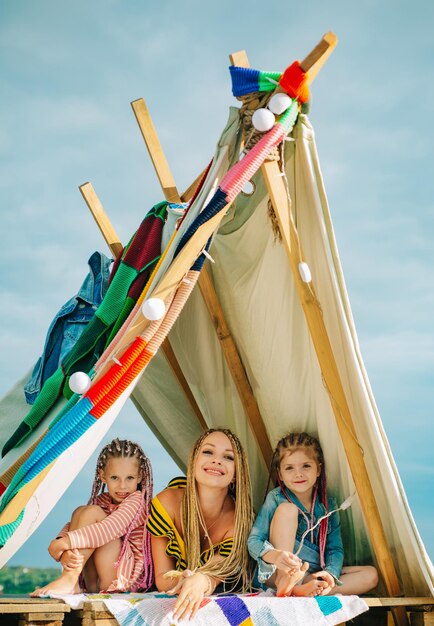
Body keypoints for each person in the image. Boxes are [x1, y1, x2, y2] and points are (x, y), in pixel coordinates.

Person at [248, 432, 378, 597]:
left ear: (318, 469)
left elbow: (334, 549)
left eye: (306, 466)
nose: (298, 474)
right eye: (289, 468)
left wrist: (330, 574)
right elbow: (254, 540)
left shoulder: (328, 505)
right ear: (280, 474)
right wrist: (276, 556)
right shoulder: (276, 498)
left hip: (311, 571)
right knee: (288, 510)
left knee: (370, 575)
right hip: (276, 572)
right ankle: (286, 583)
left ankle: (314, 589)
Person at [148, 428, 253, 621]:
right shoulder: (166, 503)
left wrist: (200, 581)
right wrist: (183, 580)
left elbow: (214, 574)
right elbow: (162, 576)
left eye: (228, 457)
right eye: (208, 452)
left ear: (237, 474)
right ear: (193, 461)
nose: (216, 460)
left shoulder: (239, 521)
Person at [31, 438, 153, 596]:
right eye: (115, 478)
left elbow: (108, 529)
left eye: (129, 478)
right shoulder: (101, 501)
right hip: (97, 579)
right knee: (81, 511)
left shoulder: (136, 500)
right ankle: (72, 580)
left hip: (127, 578)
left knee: (91, 514)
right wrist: (63, 546)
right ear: (103, 476)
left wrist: (65, 543)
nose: (122, 486)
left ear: (140, 476)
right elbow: (76, 527)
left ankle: (69, 579)